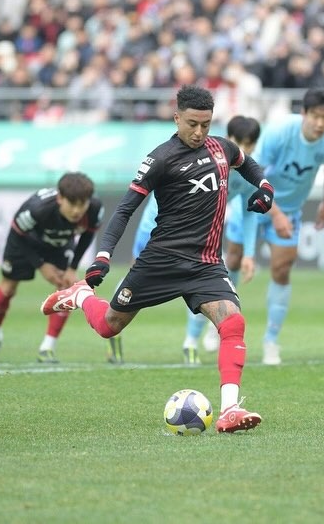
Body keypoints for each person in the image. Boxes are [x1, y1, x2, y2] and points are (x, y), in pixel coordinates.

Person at [40, 85, 273, 433]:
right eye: (192, 124)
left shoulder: (222, 147)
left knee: (233, 323)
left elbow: (247, 163)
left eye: (206, 124)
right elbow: (125, 209)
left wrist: (265, 187)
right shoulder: (160, 159)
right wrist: (103, 255)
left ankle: (229, 410)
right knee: (108, 326)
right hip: (162, 260)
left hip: (206, 263)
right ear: (176, 118)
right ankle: (81, 296)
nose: (199, 132)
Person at [119, 115, 264, 365]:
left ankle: (190, 342)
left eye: (250, 144)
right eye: (240, 142)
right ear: (229, 139)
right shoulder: (202, 159)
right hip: (155, 230)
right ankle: (112, 322)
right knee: (132, 284)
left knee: (201, 286)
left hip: (195, 238)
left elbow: (250, 212)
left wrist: (249, 253)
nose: (245, 149)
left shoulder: (244, 171)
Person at [251, 88, 324, 365]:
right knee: (230, 261)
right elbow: (253, 173)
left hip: (289, 209)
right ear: (303, 113)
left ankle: (271, 341)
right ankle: (212, 328)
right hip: (254, 202)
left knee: (281, 270)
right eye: (315, 116)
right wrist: (275, 213)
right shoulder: (279, 132)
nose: (320, 123)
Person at [0, 172, 105, 363]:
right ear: (60, 198)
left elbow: (87, 236)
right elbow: (17, 235)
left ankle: (47, 347)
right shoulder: (37, 209)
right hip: (25, 241)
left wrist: (72, 268)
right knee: (8, 288)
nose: (77, 211)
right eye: (72, 204)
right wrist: (41, 265)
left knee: (66, 286)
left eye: (82, 204)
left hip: (59, 243)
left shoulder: (95, 208)